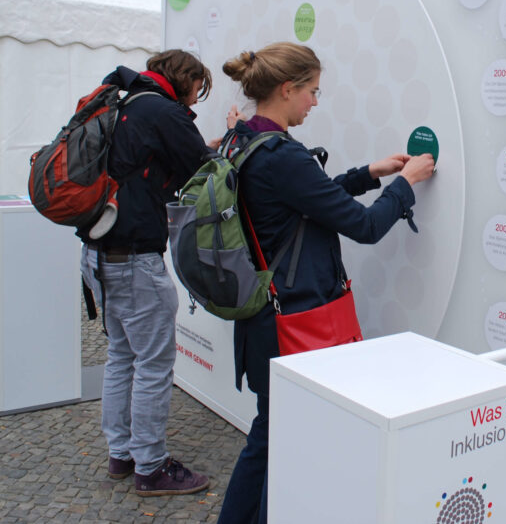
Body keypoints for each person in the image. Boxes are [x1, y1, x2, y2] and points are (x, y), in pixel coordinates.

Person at [216, 42, 435, 524]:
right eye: (312, 91)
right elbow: (365, 227)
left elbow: (300, 203)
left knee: (271, 434)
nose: (315, 102)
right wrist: (407, 183)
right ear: (287, 89)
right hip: (295, 320)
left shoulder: (242, 140)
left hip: (262, 318)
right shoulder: (282, 156)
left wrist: (370, 174)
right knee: (280, 440)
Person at [77, 50, 213, 496]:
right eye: (198, 89)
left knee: (122, 355)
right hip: (135, 259)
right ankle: (151, 468)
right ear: (187, 80)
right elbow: (205, 170)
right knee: (154, 365)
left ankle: (122, 454)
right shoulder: (163, 109)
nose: (197, 97)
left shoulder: (122, 101)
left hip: (98, 251)